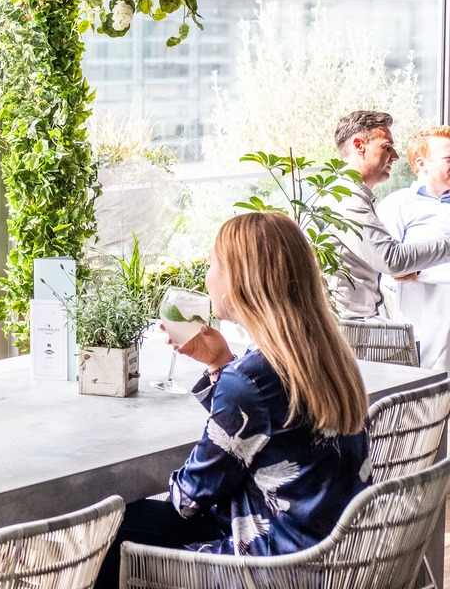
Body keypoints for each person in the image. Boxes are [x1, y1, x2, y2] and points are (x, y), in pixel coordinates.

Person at [95, 212, 371, 588]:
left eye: (212, 264)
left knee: (118, 528)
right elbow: (267, 432)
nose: (206, 276)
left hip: (273, 568)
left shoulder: (252, 378)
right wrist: (219, 364)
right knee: (138, 521)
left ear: (236, 282)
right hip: (334, 554)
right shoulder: (327, 356)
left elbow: (189, 499)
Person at [327, 111, 450, 319]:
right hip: (348, 325)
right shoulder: (346, 199)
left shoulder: (355, 197)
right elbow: (392, 260)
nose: (395, 156)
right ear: (359, 146)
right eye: (386, 147)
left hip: (360, 321)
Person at [377, 125, 450, 370]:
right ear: (421, 163)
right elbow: (391, 271)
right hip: (421, 324)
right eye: (448, 158)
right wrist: (419, 273)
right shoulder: (397, 205)